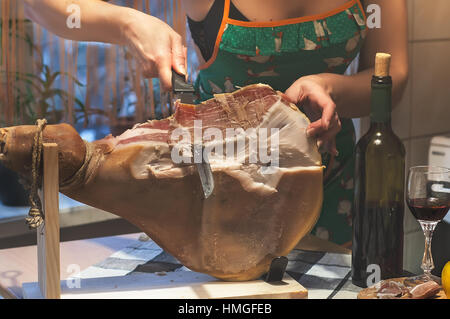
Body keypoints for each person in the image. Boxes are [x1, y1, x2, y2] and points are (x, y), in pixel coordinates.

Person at [23, 0, 408, 246]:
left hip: (328, 187)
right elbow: (40, 5)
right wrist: (128, 24)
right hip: (212, 191)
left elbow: (394, 81)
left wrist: (330, 88)